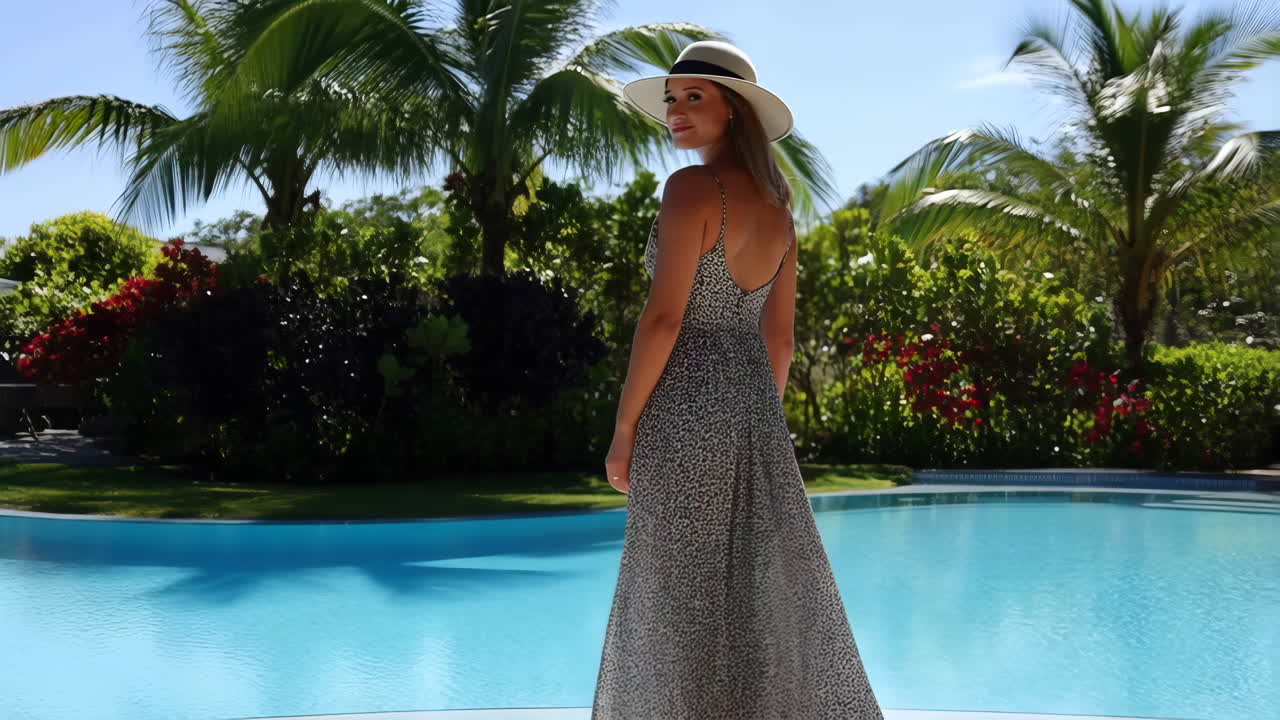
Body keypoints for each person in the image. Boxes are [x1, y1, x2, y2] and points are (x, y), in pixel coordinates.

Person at [590, 41, 886, 719]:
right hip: (755, 409)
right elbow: (777, 340)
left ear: (735, 110)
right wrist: (754, 427)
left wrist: (626, 427)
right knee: (752, 596)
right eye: (672, 98)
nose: (677, 111)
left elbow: (665, 318)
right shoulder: (782, 214)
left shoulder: (692, 190)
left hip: (684, 404)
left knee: (675, 595)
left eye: (696, 97)